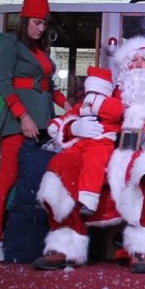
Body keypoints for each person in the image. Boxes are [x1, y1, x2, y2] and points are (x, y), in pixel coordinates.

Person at [34, 36, 145, 273]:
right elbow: (79, 112)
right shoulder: (111, 93)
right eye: (133, 60)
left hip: (143, 157)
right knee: (64, 162)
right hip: (105, 156)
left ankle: (144, 248)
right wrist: (75, 127)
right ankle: (65, 244)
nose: (139, 65)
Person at [0, 0, 71, 263]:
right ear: (24, 21)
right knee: (6, 180)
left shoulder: (41, 50)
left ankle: (32, 239)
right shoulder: (11, 43)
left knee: (37, 181)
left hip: (43, 121)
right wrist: (22, 116)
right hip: (17, 122)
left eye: (44, 23)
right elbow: (4, 84)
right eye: (36, 22)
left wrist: (66, 103)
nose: (40, 28)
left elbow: (48, 85)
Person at [46, 66, 124, 215]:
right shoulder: (81, 106)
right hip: (80, 142)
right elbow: (69, 115)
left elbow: (115, 113)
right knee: (62, 158)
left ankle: (88, 199)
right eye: (90, 92)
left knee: (94, 164)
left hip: (101, 141)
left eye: (96, 92)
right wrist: (57, 124)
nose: (91, 96)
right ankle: (52, 197)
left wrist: (94, 103)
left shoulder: (111, 103)